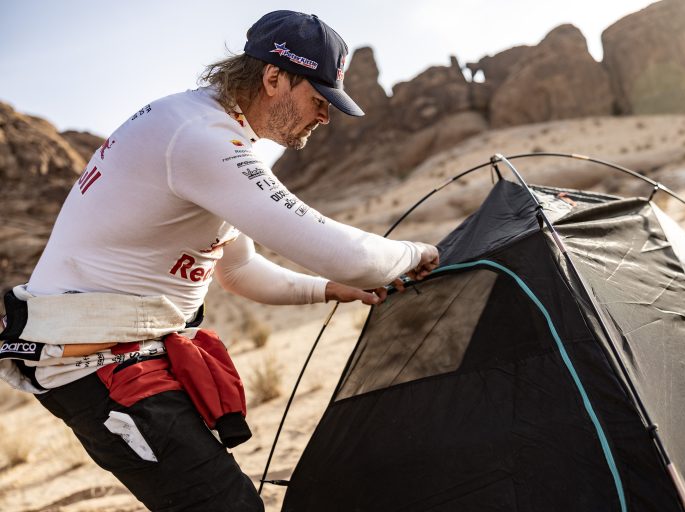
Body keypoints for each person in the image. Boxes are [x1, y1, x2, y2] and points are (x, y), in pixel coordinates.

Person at [0, 10, 439, 511]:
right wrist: (418, 253)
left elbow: (237, 271)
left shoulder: (205, 128)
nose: (324, 117)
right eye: (319, 100)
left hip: (123, 356)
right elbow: (347, 255)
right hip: (98, 367)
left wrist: (328, 289)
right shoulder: (199, 137)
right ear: (273, 78)